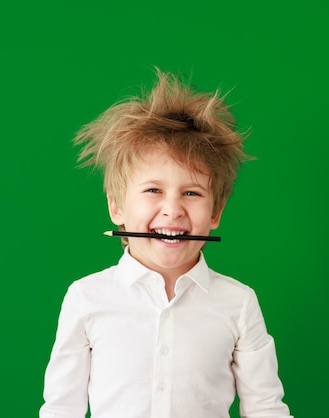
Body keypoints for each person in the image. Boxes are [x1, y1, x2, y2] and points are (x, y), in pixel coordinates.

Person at [39, 68, 293, 418]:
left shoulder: (239, 303)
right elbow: (60, 410)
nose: (172, 210)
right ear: (116, 206)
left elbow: (266, 409)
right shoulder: (86, 298)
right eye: (153, 190)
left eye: (191, 193)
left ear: (215, 212)